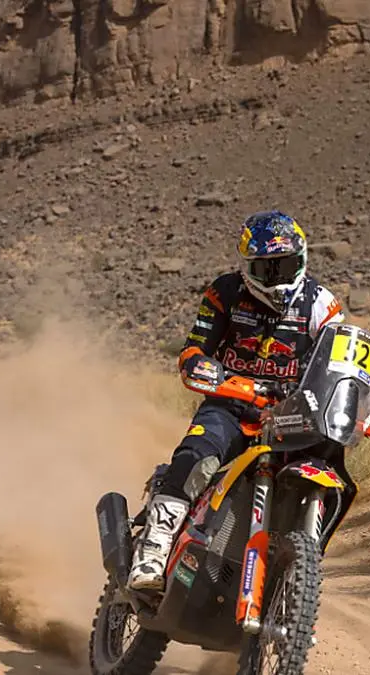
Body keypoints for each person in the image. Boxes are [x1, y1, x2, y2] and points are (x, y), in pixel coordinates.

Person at [127, 210, 347, 592]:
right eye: (266, 269)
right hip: (231, 406)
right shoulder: (225, 293)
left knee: (327, 468)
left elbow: (347, 363)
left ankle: (295, 568)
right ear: (247, 267)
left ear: (302, 258)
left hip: (290, 416)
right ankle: (153, 552)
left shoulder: (322, 305)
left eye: (285, 266)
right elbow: (194, 349)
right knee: (196, 456)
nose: (277, 278)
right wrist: (205, 370)